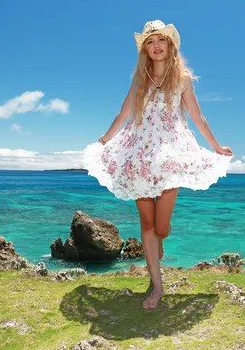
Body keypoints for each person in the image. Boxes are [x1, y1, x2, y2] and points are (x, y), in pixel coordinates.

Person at [82, 20, 234, 309]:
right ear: (145, 49)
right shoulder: (139, 79)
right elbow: (124, 112)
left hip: (171, 155)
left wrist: (216, 146)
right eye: (150, 42)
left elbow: (198, 117)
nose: (156, 47)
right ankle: (157, 287)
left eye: (160, 41)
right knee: (147, 222)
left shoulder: (183, 79)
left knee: (161, 227)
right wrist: (104, 139)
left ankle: (159, 242)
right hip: (138, 153)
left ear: (170, 45)